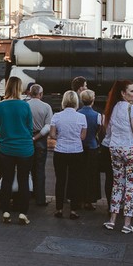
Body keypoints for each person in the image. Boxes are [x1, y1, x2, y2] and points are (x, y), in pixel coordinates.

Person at [102, 80, 133, 234]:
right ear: (123, 93)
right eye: (132, 91)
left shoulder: (112, 108)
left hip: (115, 149)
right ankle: (127, 223)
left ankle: (112, 220)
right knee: (131, 186)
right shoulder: (131, 108)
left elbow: (108, 131)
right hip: (130, 149)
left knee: (117, 184)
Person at [0, 77, 34, 225]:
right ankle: (23, 213)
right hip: (25, 148)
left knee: (7, 179)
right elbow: (30, 127)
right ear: (19, 88)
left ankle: (6, 211)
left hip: (7, 148)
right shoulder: (25, 106)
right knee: (23, 181)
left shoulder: (0, 106)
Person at [50, 90, 87, 219]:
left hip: (60, 150)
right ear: (76, 101)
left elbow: (52, 135)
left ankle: (59, 209)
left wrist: (61, 137)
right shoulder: (81, 117)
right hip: (76, 151)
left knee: (60, 180)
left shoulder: (57, 116)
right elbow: (83, 136)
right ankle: (73, 210)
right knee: (75, 180)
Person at [27, 84, 53, 207]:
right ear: (41, 94)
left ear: (30, 93)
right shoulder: (46, 107)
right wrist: (36, 137)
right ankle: (40, 198)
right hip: (40, 140)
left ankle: (27, 195)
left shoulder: (25, 105)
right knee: (40, 169)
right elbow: (48, 126)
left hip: (26, 138)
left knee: (25, 169)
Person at [77, 89, 102, 210]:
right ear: (93, 100)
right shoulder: (97, 115)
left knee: (79, 173)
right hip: (92, 146)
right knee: (91, 175)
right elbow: (99, 130)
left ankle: (79, 199)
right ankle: (89, 201)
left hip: (79, 146)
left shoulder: (77, 113)